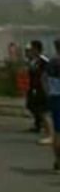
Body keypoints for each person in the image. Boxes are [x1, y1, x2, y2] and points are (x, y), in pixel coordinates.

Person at [26, 40, 51, 143]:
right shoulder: (33, 60)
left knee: (43, 110)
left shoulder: (44, 60)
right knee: (33, 106)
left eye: (31, 49)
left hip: (42, 88)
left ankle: (48, 132)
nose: (30, 51)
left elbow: (47, 74)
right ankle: (39, 124)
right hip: (34, 87)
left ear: (36, 49)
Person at [43, 38, 60, 173]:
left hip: (55, 97)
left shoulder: (51, 63)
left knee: (57, 131)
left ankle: (58, 160)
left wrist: (48, 92)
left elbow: (44, 79)